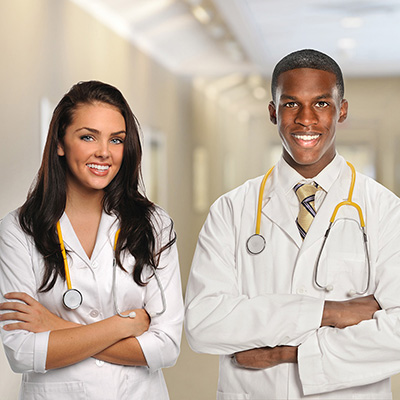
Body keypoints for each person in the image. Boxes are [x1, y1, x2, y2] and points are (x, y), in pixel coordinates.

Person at [184, 49, 400, 399]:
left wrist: (290, 354)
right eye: (290, 104)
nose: (305, 119)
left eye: (321, 104)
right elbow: (204, 324)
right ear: (273, 112)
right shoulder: (231, 210)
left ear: (341, 110)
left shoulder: (386, 210)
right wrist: (332, 312)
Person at [0, 81, 183, 399]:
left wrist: (54, 326)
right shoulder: (19, 230)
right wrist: (124, 326)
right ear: (60, 142)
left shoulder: (153, 225)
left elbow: (166, 347)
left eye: (116, 140)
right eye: (88, 136)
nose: (104, 152)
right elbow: (22, 353)